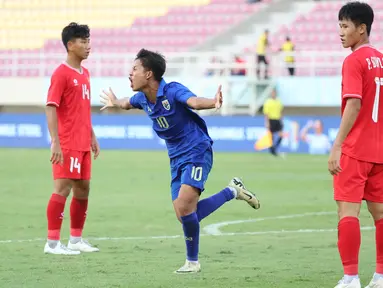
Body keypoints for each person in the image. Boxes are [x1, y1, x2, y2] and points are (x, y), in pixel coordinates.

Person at [100, 49, 261, 273]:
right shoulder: (142, 98)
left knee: (185, 206)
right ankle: (232, 192)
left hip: (196, 149)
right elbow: (127, 103)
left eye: (135, 69)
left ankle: (192, 263)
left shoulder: (172, 90)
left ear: (148, 74)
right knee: (183, 214)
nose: (130, 73)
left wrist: (213, 102)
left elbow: (193, 101)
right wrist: (115, 101)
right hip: (175, 158)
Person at [328, 2, 383, 288]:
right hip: (380, 150)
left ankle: (350, 278)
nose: (340, 32)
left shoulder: (354, 60)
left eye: (345, 26)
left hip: (356, 149)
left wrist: (337, 145)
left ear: (362, 29)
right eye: (339, 25)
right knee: (381, 214)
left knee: (347, 213)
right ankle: (381, 276)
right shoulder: (382, 59)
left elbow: (354, 103)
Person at [44, 22, 100, 255]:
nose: (88, 46)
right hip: (67, 141)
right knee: (62, 188)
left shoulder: (84, 73)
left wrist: (92, 135)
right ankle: (53, 243)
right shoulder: (61, 73)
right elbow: (50, 106)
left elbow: (82, 109)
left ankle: (76, 239)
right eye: (83, 41)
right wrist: (55, 141)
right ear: (70, 45)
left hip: (82, 141)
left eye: (88, 40)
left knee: (83, 189)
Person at [263, 89, 283, 156]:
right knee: (271, 135)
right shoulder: (268, 102)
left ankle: (274, 148)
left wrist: (281, 120)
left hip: (277, 120)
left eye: (274, 93)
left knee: (281, 135)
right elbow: (266, 113)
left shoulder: (279, 102)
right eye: (272, 93)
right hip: (271, 120)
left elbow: (280, 112)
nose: (273, 94)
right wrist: (267, 122)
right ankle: (271, 149)